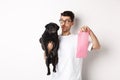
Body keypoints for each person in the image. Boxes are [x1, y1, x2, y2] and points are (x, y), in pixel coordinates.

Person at [46, 11, 100, 80]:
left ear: (72, 23)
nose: (63, 23)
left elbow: (97, 46)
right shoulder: (54, 39)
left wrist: (89, 31)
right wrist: (48, 50)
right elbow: (46, 58)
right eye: (61, 21)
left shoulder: (78, 38)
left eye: (67, 21)